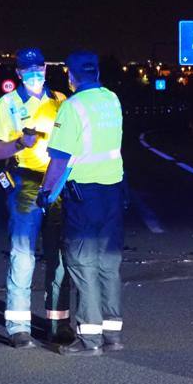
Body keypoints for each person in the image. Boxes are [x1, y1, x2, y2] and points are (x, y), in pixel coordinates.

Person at [0, 47, 74, 349]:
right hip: (25, 182)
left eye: (41, 67)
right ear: (19, 72)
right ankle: (19, 325)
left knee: (59, 254)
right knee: (23, 253)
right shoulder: (6, 104)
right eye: (29, 68)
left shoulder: (61, 101)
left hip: (58, 183)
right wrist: (20, 143)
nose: (36, 73)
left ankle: (58, 322)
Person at [39, 51, 124, 356]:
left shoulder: (72, 107)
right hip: (113, 193)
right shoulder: (112, 100)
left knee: (81, 262)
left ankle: (90, 339)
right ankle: (112, 334)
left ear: (71, 76)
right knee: (108, 262)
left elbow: (60, 159)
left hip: (84, 195)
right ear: (97, 72)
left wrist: (45, 193)